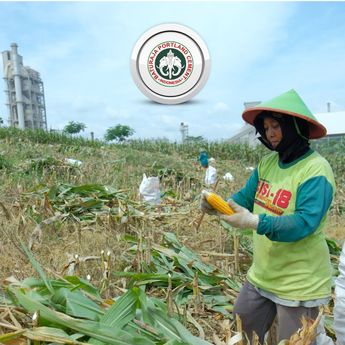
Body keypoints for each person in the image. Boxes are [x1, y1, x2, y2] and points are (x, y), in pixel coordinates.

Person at [201, 89, 336, 343]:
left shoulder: (316, 170)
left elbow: (304, 223)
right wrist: (217, 205)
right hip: (262, 276)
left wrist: (254, 221)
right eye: (266, 127)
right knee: (243, 325)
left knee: (294, 340)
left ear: (294, 127)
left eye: (276, 126)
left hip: (299, 284)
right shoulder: (267, 164)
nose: (271, 133)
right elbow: (244, 198)